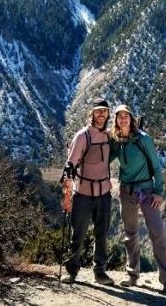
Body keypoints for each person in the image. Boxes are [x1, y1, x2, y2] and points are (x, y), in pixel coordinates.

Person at [109, 104, 166, 294]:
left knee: (157, 233)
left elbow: (157, 167)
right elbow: (105, 158)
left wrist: (159, 192)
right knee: (130, 233)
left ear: (131, 119)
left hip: (147, 191)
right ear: (116, 120)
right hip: (126, 191)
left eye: (126, 116)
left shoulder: (144, 139)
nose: (123, 119)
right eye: (119, 117)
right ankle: (132, 276)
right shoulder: (118, 141)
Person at [61, 99, 116, 285]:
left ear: (108, 115)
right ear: (91, 114)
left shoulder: (110, 136)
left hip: (104, 193)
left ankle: (100, 272)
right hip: (83, 193)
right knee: (78, 234)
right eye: (98, 111)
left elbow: (126, 137)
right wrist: (67, 191)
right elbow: (71, 163)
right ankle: (71, 271)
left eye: (105, 111)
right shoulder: (82, 137)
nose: (102, 114)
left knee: (102, 235)